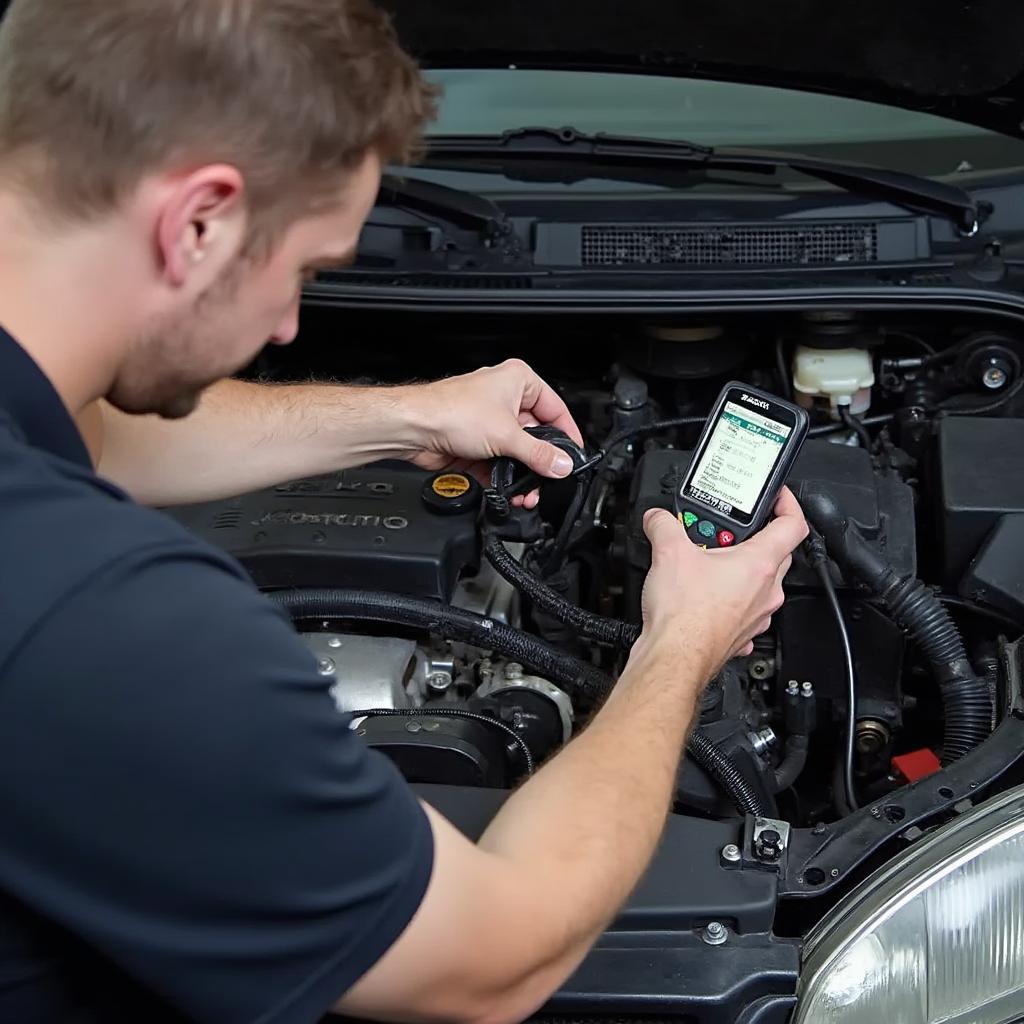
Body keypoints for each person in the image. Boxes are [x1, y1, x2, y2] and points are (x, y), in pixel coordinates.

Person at [0, 1, 808, 1022]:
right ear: (197, 219)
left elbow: (95, 433)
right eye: (302, 271)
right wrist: (681, 644)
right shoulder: (95, 620)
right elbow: (491, 957)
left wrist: (401, 415)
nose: (291, 321)